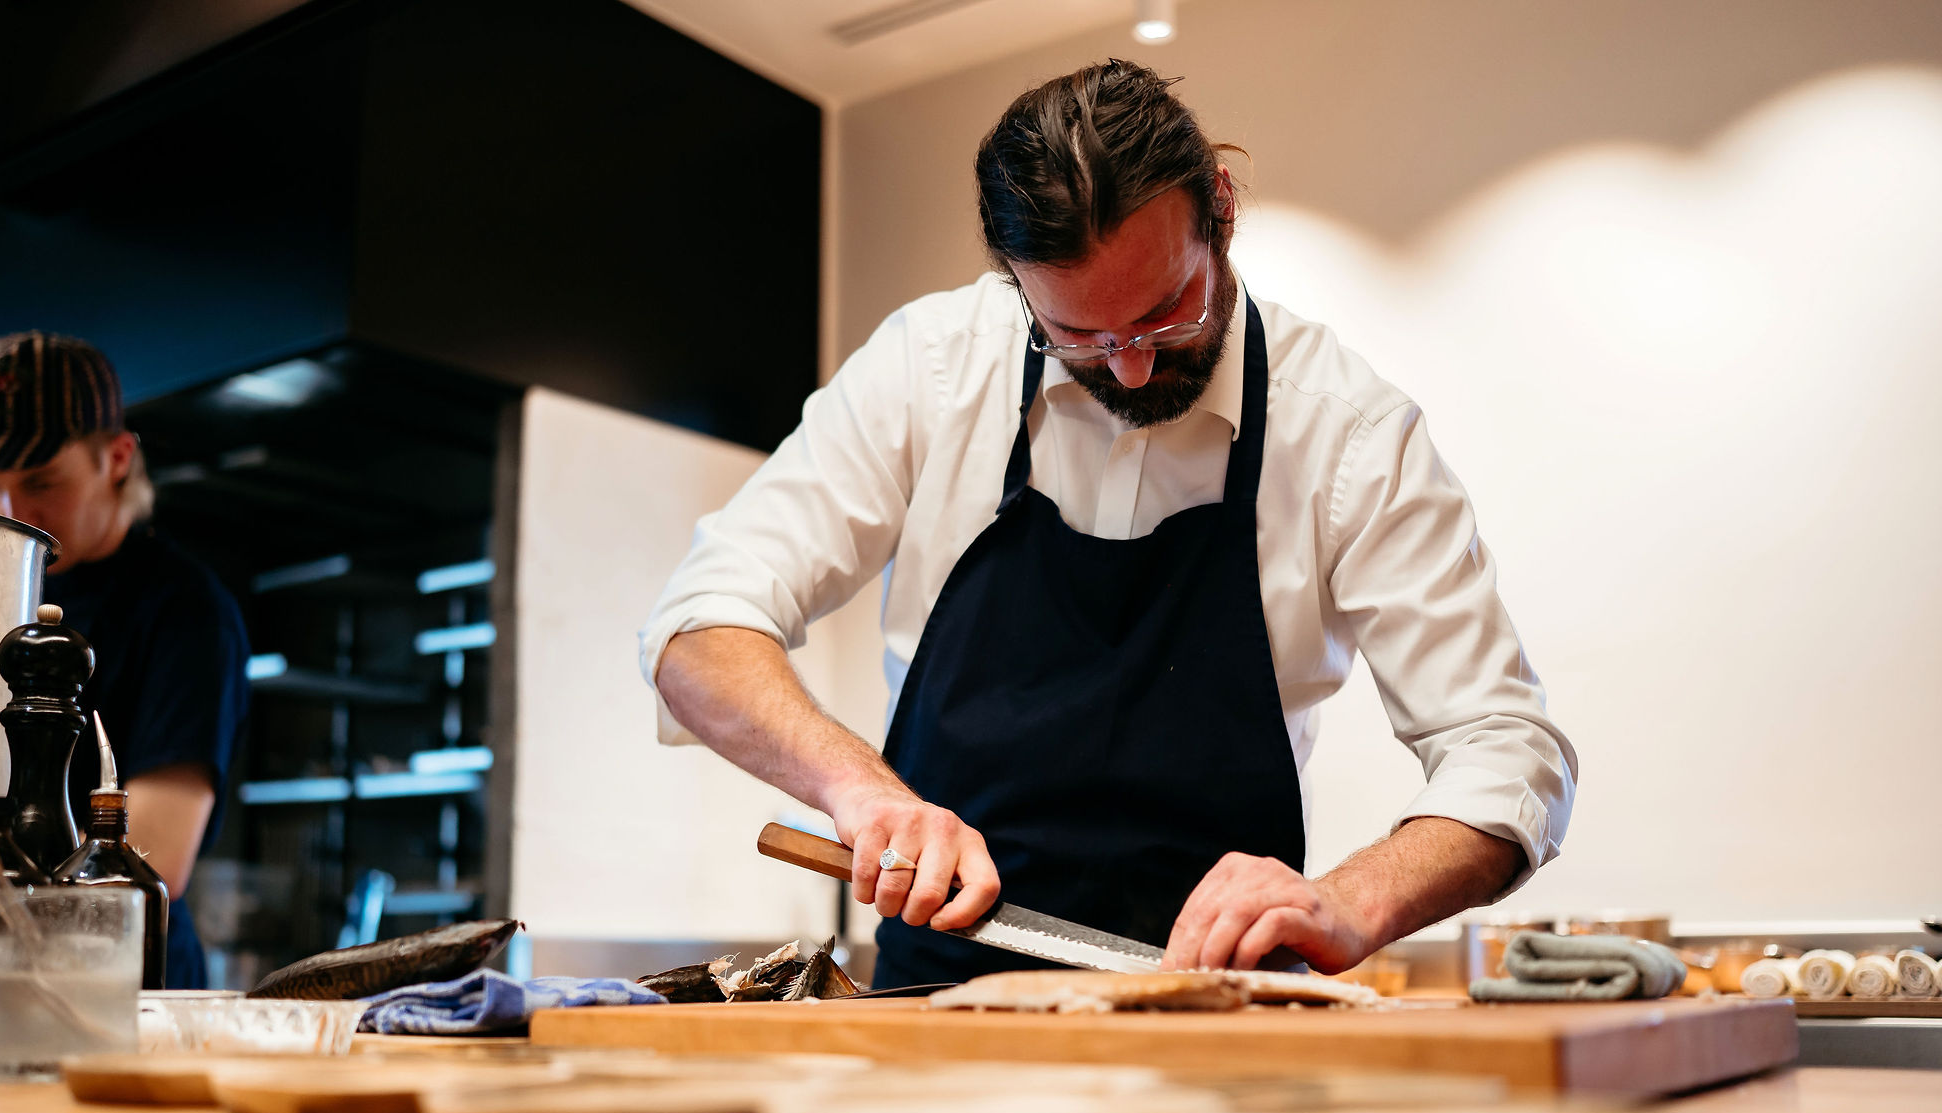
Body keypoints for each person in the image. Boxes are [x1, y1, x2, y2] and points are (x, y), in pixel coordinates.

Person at [641, 61, 1577, 988]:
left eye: (1166, 313)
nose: (1129, 369)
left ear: (1221, 209)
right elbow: (698, 629)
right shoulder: (931, 366)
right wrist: (861, 789)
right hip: (935, 1009)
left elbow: (1508, 747)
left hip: (1215, 1004)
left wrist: (1350, 900)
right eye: (1078, 335)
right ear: (1016, 281)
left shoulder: (1350, 434)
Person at [0, 331, 250, 989]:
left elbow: (153, 854)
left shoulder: (186, 609)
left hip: (121, 978)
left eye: (42, 480)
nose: (15, 514)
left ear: (118, 458)